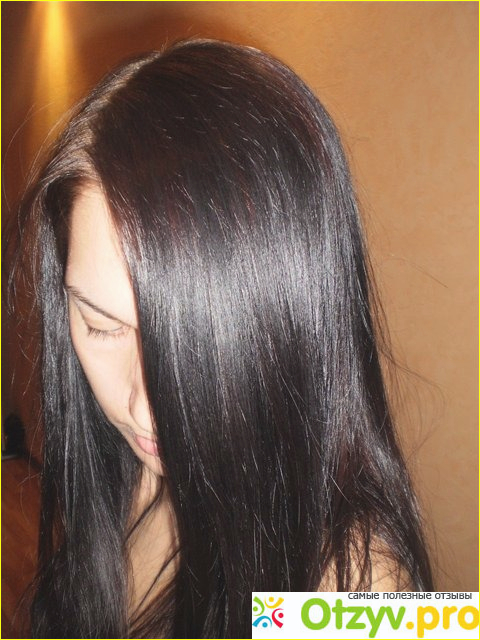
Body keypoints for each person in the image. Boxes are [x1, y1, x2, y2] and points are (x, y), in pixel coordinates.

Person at [12, 38, 433, 638]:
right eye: (102, 326)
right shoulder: (125, 463)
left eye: (196, 345)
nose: (143, 408)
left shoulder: (361, 593)